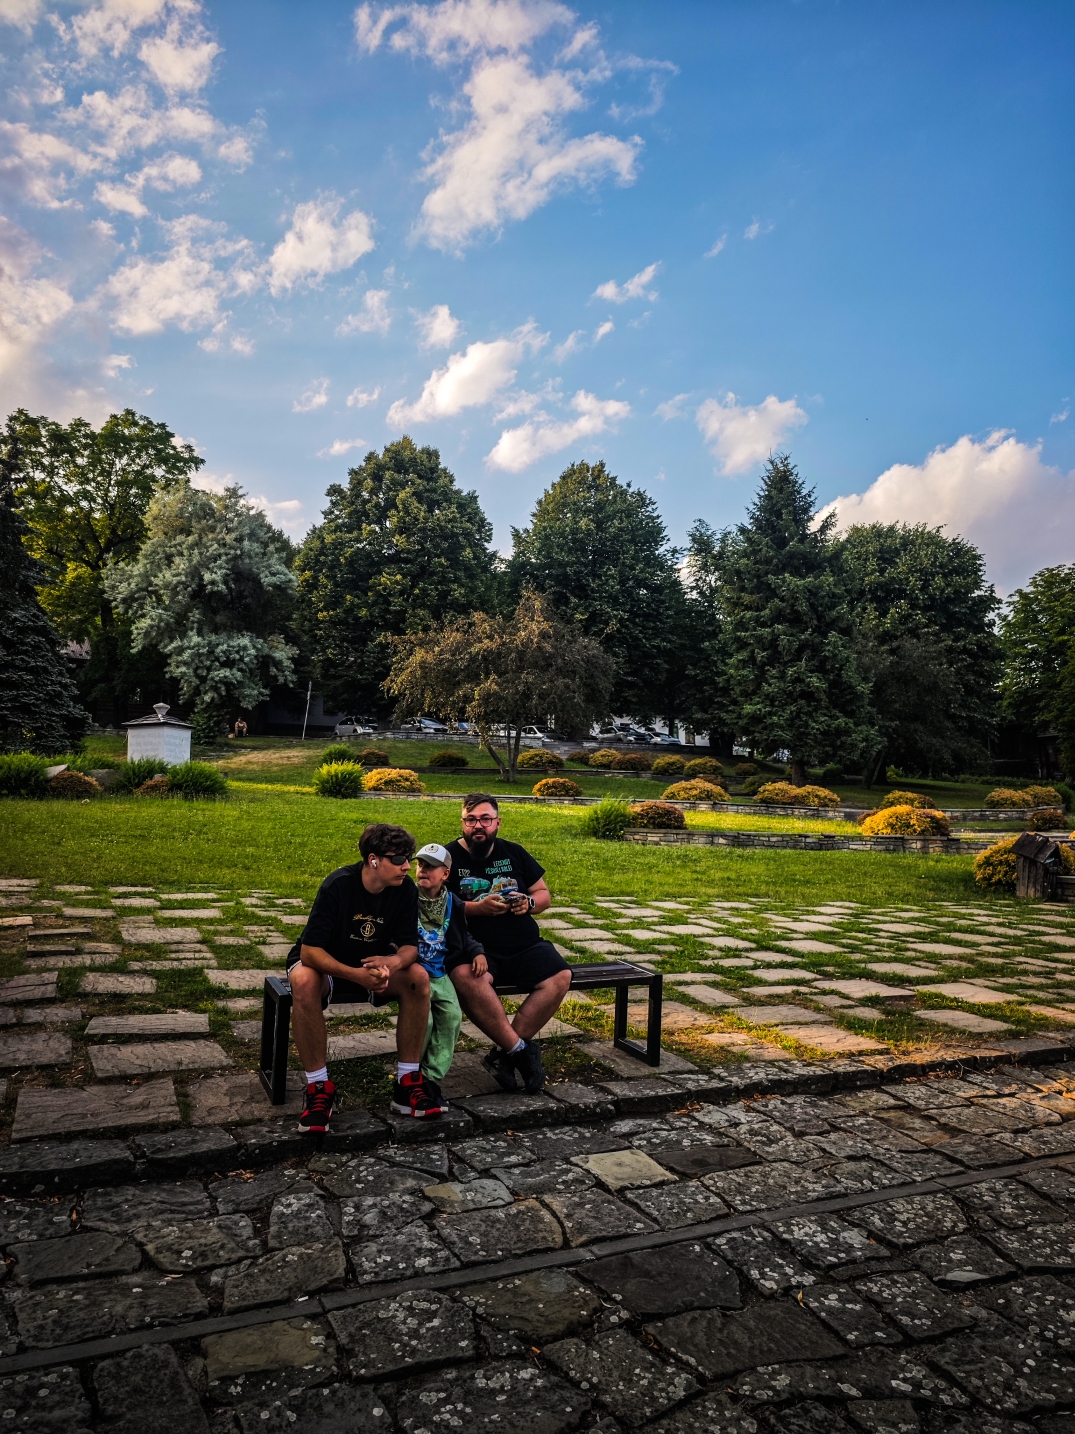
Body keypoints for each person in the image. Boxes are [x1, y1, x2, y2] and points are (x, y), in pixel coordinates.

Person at [286, 822, 442, 1130]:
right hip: (327, 964)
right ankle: (318, 1087)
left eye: (408, 858)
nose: (407, 867)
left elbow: (410, 947)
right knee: (303, 981)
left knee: (418, 978)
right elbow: (310, 952)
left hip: (371, 964)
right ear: (373, 860)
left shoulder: (404, 890)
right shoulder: (338, 885)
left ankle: (407, 1082)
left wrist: (393, 962)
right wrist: (356, 975)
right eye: (399, 859)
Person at [445, 793, 571, 1094]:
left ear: (497, 822)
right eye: (471, 819)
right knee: (466, 977)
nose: (478, 825)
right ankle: (520, 1051)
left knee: (560, 976)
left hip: (523, 944)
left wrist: (528, 902)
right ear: (462, 822)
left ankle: (504, 1053)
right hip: (474, 948)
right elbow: (434, 905)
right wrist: (476, 909)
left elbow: (543, 895)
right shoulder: (447, 858)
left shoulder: (514, 852)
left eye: (485, 819)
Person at [413, 842, 485, 1101]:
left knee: (451, 1018)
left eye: (431, 867)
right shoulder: (407, 897)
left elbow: (463, 935)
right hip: (413, 972)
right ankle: (411, 1072)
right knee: (424, 1021)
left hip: (439, 971)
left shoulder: (452, 902)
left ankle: (431, 1076)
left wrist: (477, 952)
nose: (423, 870)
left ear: (445, 874)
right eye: (420, 865)